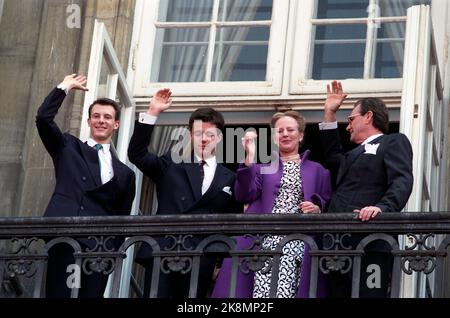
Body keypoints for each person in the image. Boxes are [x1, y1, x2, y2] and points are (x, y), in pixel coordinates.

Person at [127, 89, 238, 298]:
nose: (203, 139)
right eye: (198, 133)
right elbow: (137, 154)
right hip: (163, 251)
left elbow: (230, 224)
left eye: (209, 134)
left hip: (203, 256)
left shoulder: (229, 177)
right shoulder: (171, 163)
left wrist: (221, 263)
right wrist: (153, 112)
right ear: (190, 135)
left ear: (220, 137)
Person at [36, 74, 136, 298]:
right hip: (66, 238)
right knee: (61, 295)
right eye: (96, 116)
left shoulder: (126, 174)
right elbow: (43, 119)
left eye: (108, 117)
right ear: (89, 121)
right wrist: (65, 87)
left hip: (99, 248)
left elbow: (122, 218)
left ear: (116, 124)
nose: (101, 120)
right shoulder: (68, 146)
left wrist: (111, 251)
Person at [212, 111, 332, 298]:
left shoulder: (318, 170)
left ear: (300, 135)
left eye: (290, 130)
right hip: (265, 239)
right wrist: (249, 157)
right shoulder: (262, 168)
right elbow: (243, 194)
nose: (285, 134)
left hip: (301, 239)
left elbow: (326, 201)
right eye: (279, 131)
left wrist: (317, 207)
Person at [318, 80, 414, 298]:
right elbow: (333, 157)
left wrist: (382, 208)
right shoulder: (352, 154)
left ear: (368, 116)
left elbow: (402, 180)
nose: (348, 125)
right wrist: (329, 114)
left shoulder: (392, 142)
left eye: (351, 118)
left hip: (371, 240)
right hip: (336, 244)